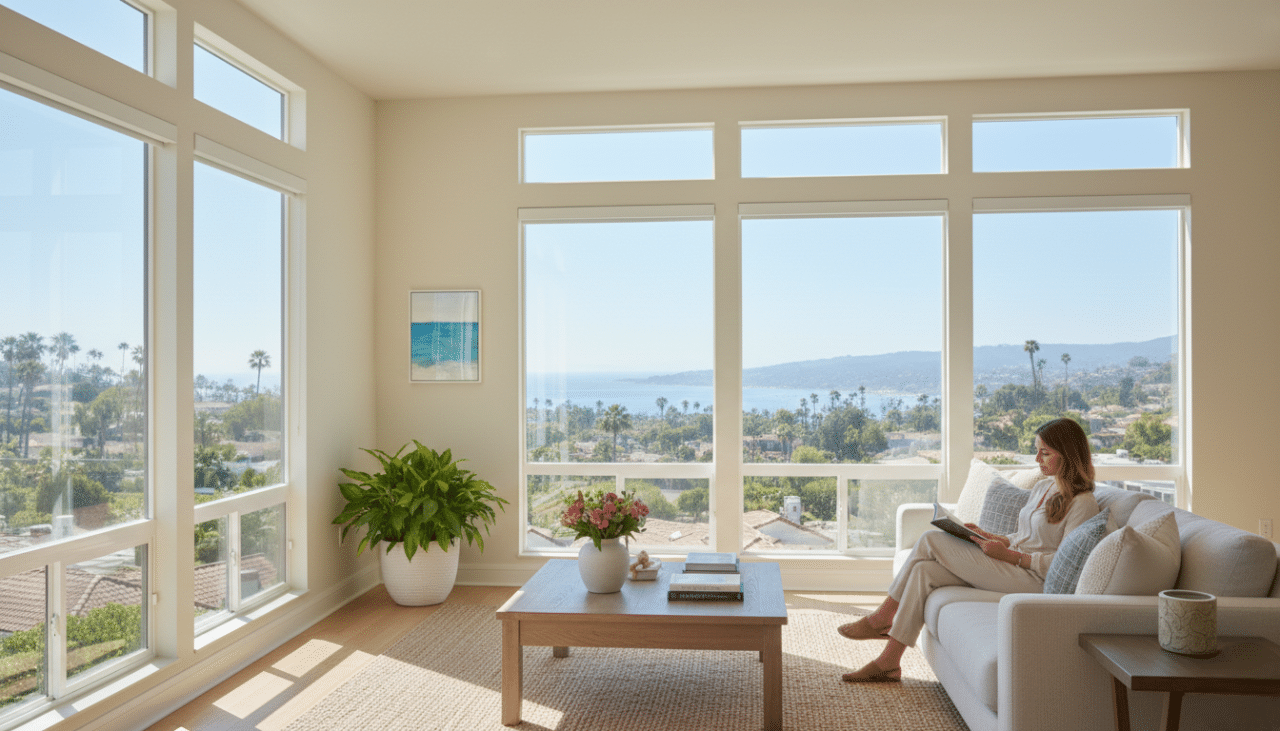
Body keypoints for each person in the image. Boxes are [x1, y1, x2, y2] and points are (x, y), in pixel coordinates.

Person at [837, 417, 1100, 682]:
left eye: (1044, 453)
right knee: (923, 571)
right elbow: (1024, 536)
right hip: (1013, 564)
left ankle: (882, 618)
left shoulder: (1084, 504)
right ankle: (889, 662)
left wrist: (1011, 556)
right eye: (1036, 450)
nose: (1036, 459)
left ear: (1068, 454)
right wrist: (990, 536)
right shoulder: (1045, 486)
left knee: (930, 540)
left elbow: (1065, 562)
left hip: (1033, 581)